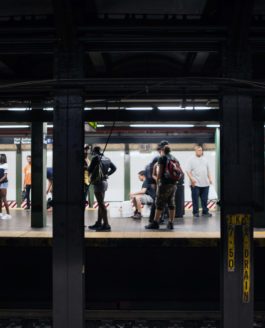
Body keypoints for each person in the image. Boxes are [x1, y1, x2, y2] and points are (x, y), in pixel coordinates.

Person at [145, 145, 177, 230]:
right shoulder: (174, 158)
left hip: (164, 184)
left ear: (162, 150)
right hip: (173, 184)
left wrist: (157, 180)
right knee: (171, 204)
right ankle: (171, 223)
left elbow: (160, 172)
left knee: (159, 204)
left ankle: (155, 223)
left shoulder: (162, 158)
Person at [88, 146, 117, 231]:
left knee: (101, 204)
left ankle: (106, 225)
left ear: (94, 152)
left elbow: (90, 170)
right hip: (104, 182)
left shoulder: (95, 158)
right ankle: (99, 223)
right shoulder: (107, 158)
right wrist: (107, 174)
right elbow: (114, 168)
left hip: (98, 183)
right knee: (101, 203)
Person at [186, 144, 213, 218]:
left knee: (204, 199)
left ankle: (205, 212)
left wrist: (210, 178)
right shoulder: (191, 159)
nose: (200, 151)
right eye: (198, 150)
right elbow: (188, 171)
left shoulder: (205, 159)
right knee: (195, 199)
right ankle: (195, 212)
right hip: (196, 183)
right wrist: (192, 179)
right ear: (195, 151)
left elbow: (208, 170)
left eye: (201, 150)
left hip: (205, 183)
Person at [0, 154, 11, 219]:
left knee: (4, 199)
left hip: (3, 183)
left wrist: (0, 181)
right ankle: (0, 213)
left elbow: (5, 176)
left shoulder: (6, 165)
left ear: (2, 158)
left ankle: (8, 214)